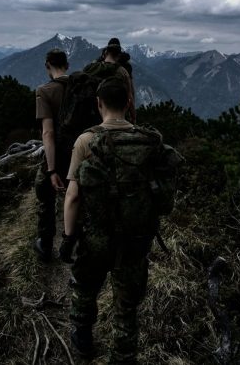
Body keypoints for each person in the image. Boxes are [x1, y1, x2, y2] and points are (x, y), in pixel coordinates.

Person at [61, 77, 163, 364]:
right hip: (135, 238)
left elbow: (72, 196)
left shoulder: (86, 140)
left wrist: (69, 238)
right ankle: (123, 355)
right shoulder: (148, 142)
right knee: (126, 303)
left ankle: (83, 341)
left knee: (84, 288)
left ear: (98, 104)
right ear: (129, 104)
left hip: (96, 237)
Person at [34, 48, 70, 261]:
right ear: (67, 65)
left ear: (48, 66)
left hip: (59, 153)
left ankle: (45, 244)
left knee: (44, 192)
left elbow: (47, 132)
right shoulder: (80, 88)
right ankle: (74, 239)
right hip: (82, 151)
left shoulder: (44, 91)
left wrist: (51, 168)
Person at [84, 38, 136, 123]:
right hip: (118, 113)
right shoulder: (123, 70)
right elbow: (130, 94)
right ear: (119, 55)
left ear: (106, 52)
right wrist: (133, 116)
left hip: (94, 112)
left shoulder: (93, 67)